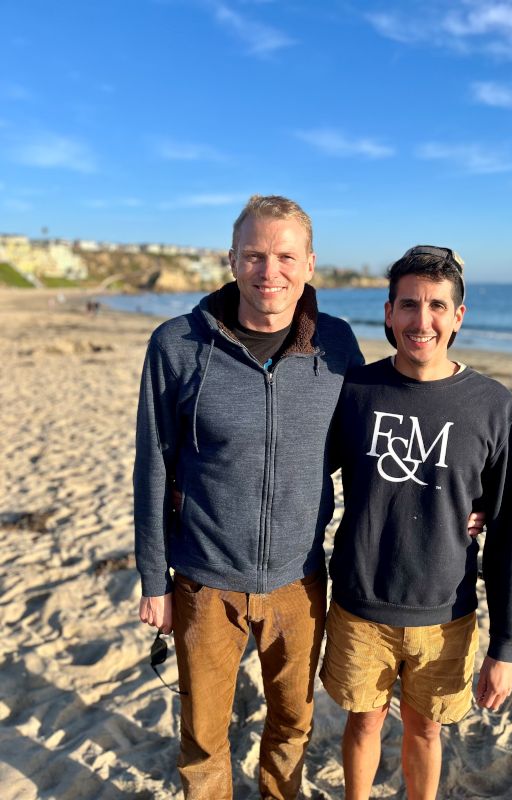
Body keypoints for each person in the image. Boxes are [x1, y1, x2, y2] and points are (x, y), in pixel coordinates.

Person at [133, 195, 364, 800]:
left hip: (300, 580)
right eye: (256, 255)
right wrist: (154, 579)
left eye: (285, 255)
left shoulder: (338, 348)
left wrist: (455, 498)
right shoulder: (177, 345)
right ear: (231, 259)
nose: (271, 271)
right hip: (204, 582)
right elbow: (152, 466)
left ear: (310, 264)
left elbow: (363, 451)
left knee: (292, 725)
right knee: (204, 736)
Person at [320, 246, 512, 800]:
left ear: (459, 316)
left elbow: (508, 530)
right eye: (408, 304)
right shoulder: (357, 392)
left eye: (438, 305)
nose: (422, 320)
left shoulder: (493, 406)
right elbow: (302, 473)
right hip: (360, 603)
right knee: (363, 721)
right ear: (388, 313)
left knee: (426, 728)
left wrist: (505, 645)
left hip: (445, 611)